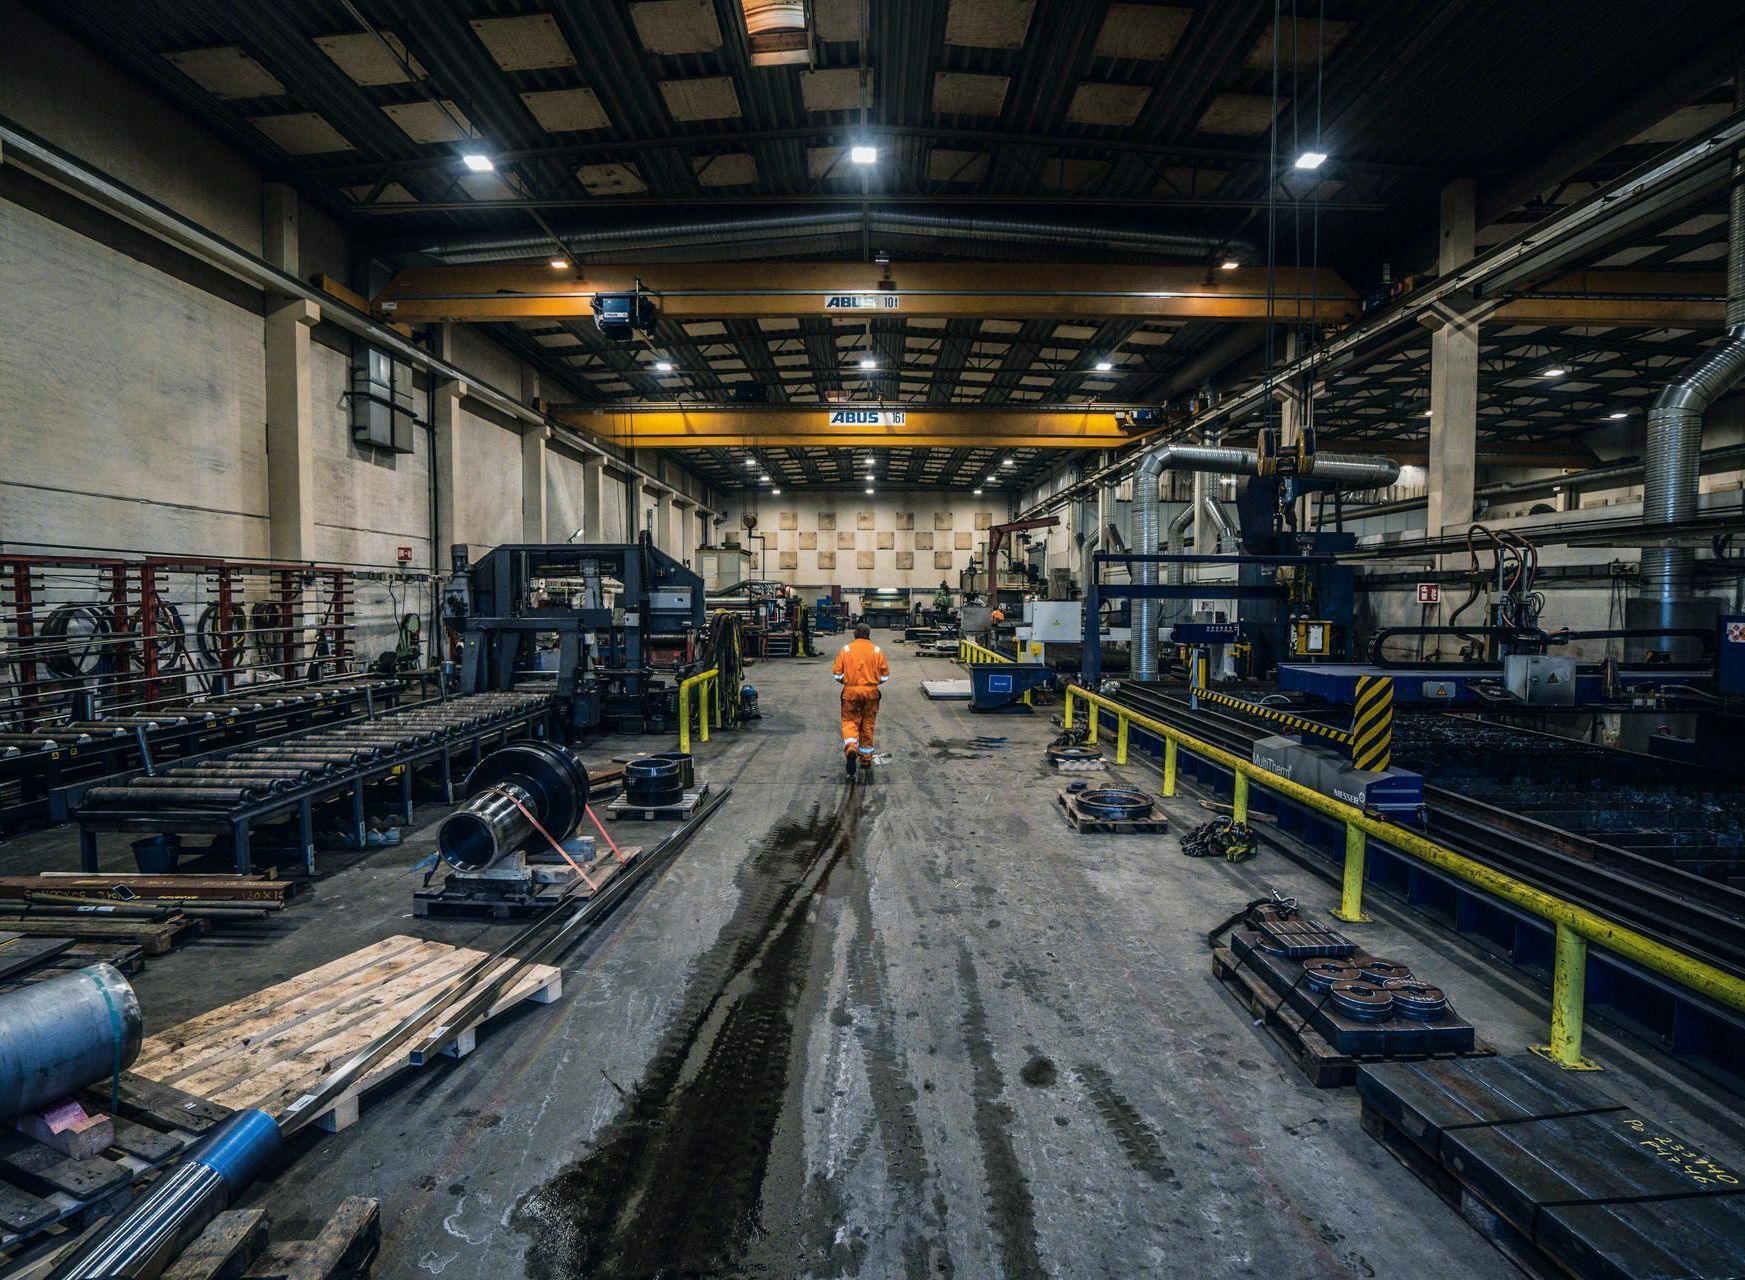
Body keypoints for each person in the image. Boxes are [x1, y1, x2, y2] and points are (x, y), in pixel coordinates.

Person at [832, 623, 890, 779]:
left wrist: (848, 683)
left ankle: (851, 748)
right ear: (869, 634)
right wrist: (872, 682)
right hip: (871, 692)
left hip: (850, 692)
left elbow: (837, 674)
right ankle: (865, 759)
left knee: (850, 721)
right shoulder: (877, 650)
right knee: (868, 724)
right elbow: (885, 676)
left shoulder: (846, 650)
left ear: (855, 634)